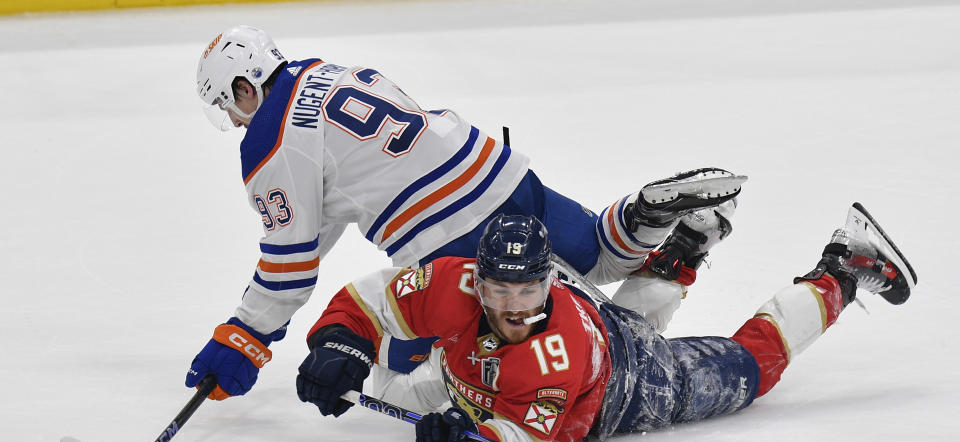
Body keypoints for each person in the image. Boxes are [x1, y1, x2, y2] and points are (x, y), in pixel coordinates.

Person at [185, 24, 742, 401]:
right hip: (497, 170)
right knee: (600, 255)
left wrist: (242, 334)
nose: (233, 120)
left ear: (244, 85)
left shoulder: (271, 140)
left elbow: (290, 263)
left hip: (447, 237)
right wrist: (257, 331)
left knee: (407, 383)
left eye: (227, 105)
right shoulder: (329, 74)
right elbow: (322, 214)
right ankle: (654, 223)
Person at [294, 205, 915, 442]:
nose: (513, 306)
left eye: (529, 289)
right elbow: (369, 303)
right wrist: (338, 345)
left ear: (549, 281)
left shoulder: (549, 358)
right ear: (475, 279)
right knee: (381, 385)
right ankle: (681, 251)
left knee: (748, 369)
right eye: (499, 289)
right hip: (479, 373)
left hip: (621, 384)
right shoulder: (449, 284)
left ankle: (841, 267)